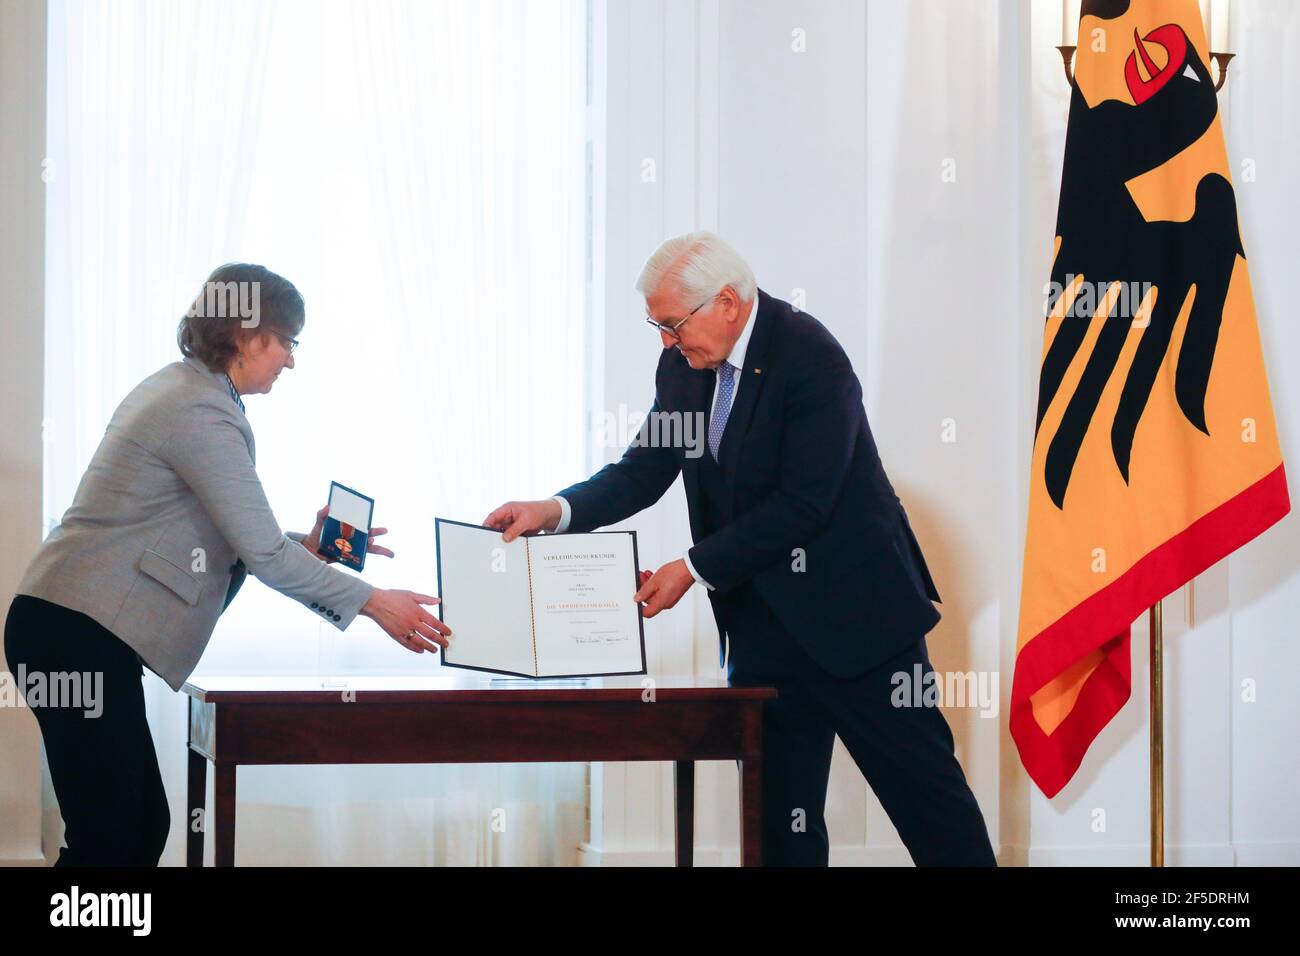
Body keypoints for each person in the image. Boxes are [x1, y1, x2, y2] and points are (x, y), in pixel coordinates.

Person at [485, 232, 995, 866]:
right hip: (761, 630)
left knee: (928, 801)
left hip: (859, 621)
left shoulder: (810, 354)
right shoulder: (683, 365)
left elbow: (805, 503)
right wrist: (554, 510)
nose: (666, 342)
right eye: (657, 327)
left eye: (672, 324)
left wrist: (690, 568)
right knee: (782, 824)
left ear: (726, 301)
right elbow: (644, 469)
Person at [3, 263, 450, 866]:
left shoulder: (192, 393)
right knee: (113, 833)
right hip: (76, 634)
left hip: (74, 632)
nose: (291, 360)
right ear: (246, 335)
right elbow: (262, 554)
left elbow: (236, 535)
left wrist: (306, 544)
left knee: (131, 827)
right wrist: (372, 601)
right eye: (287, 341)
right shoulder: (200, 410)